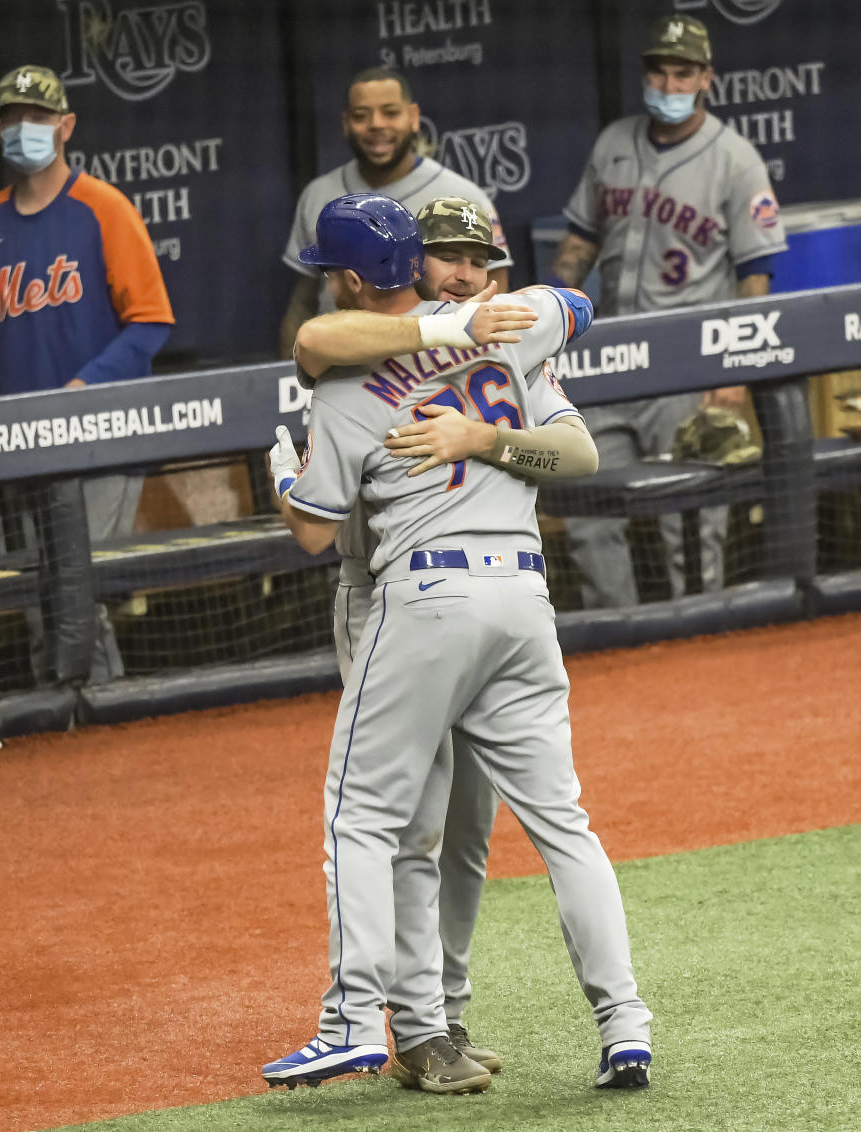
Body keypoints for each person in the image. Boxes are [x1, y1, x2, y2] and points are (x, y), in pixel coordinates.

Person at [262, 193, 652, 1095]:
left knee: (366, 816)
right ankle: (619, 1023)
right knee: (557, 824)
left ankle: (356, 1021)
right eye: (445, 256)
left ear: (351, 278)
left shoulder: (362, 374)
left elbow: (313, 524)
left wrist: (283, 472)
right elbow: (572, 307)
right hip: (520, 597)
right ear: (419, 265)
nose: (464, 270)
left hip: (422, 595)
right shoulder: (514, 334)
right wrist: (479, 327)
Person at [549, 13, 788, 609]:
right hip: (606, 357)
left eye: (684, 73)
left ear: (706, 78)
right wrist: (546, 325)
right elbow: (579, 245)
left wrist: (734, 370)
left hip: (689, 363)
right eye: (660, 71)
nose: (670, 84)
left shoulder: (737, 160)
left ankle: (700, 645)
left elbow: (754, 275)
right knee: (588, 510)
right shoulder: (612, 143)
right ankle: (623, 638)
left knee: (695, 522)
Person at [0, 64, 174, 683]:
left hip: (100, 433)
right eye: (13, 117)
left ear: (66, 125)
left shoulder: (104, 208)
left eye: (39, 117)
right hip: (18, 443)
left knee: (84, 596)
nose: (25, 128)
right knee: (42, 603)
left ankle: (97, 737)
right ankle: (59, 739)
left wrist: (85, 387)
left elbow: (151, 321)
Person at [279, 67, 512, 357]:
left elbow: (494, 295)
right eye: (361, 115)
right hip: (340, 357)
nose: (376, 124)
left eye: (390, 112)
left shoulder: (464, 196)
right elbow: (303, 301)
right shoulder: (318, 194)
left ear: (414, 117)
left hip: (433, 362)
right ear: (346, 123)